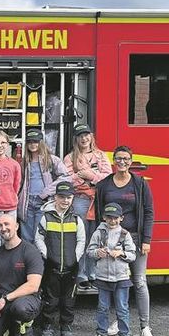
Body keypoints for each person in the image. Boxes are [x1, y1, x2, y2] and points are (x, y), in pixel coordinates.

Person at [94, 145, 156, 336]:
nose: (122, 162)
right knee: (116, 282)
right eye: (119, 158)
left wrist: (146, 240)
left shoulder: (139, 183)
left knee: (139, 281)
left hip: (135, 240)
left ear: (131, 161)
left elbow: (148, 212)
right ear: (113, 160)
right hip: (111, 242)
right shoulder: (104, 185)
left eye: (126, 159)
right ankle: (119, 321)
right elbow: (98, 214)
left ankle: (145, 327)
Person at [34, 182, 86, 336]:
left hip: (71, 268)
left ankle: (66, 327)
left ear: (72, 199)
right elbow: (38, 238)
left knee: (68, 301)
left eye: (68, 197)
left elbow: (81, 240)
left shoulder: (77, 219)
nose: (65, 200)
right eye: (62, 197)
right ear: (55, 197)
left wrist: (75, 258)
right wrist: (47, 255)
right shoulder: (46, 217)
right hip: (52, 267)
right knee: (50, 299)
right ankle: (47, 327)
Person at [63, 123, 112, 289]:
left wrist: (88, 175)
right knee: (81, 238)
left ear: (91, 137)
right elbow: (68, 180)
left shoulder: (101, 156)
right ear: (76, 139)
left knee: (97, 238)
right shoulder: (70, 158)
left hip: (98, 201)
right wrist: (85, 178)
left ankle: (94, 274)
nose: (84, 138)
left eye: (87, 135)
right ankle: (81, 274)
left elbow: (107, 178)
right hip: (80, 200)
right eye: (80, 136)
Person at [89, 203, 138, 336]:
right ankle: (101, 334)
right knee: (102, 307)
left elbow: (133, 255)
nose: (112, 221)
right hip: (103, 277)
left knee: (122, 308)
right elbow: (89, 251)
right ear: (104, 218)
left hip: (121, 278)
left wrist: (122, 253)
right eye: (109, 218)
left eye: (116, 218)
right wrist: (98, 253)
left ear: (121, 218)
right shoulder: (98, 233)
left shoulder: (125, 234)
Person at [18, 129, 70, 241]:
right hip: (26, 203)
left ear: (41, 142)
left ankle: (39, 258)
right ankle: (28, 258)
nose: (33, 145)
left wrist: (47, 192)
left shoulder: (51, 159)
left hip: (43, 201)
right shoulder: (24, 161)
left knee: (40, 235)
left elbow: (66, 177)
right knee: (26, 236)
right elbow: (20, 182)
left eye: (35, 142)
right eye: (30, 142)